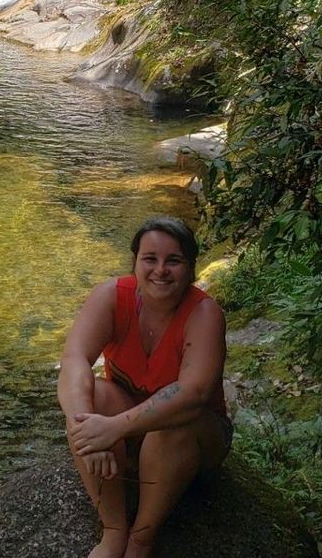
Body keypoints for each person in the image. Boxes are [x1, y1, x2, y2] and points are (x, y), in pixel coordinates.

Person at [57, 216, 231, 558]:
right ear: (135, 262)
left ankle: (141, 540)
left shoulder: (205, 314)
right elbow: (75, 359)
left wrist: (111, 429)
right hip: (130, 433)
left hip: (195, 438)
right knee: (90, 395)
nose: (160, 270)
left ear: (191, 268)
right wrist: (88, 429)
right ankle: (113, 530)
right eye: (150, 259)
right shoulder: (110, 296)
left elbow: (192, 394)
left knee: (171, 424)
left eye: (174, 261)